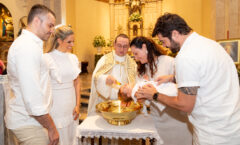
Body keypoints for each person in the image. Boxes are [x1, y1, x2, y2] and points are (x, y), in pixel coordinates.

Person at [136, 13, 240, 145]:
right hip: (233, 127)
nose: (165, 46)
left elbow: (185, 105)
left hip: (213, 133)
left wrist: (155, 95)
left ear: (174, 34)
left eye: (163, 41)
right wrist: (173, 78)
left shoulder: (186, 56)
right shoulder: (210, 44)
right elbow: (206, 75)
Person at [5, 4, 59, 145]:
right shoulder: (27, 47)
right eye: (50, 25)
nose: (52, 31)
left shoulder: (30, 45)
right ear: (36, 21)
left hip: (30, 120)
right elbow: (32, 98)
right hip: (27, 121)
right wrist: (52, 128)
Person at [125, 36, 192, 145]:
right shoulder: (141, 70)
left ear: (144, 47)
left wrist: (171, 77)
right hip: (157, 120)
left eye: (136, 53)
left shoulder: (169, 62)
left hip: (176, 118)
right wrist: (137, 93)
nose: (136, 58)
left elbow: (187, 83)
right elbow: (142, 100)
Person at [46, 25, 81, 145]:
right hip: (56, 106)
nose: (72, 44)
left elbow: (76, 82)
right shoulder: (47, 58)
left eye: (73, 41)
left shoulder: (73, 58)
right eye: (69, 41)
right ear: (59, 41)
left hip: (71, 105)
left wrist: (77, 104)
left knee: (72, 138)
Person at [87, 34, 137, 114]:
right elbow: (95, 77)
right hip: (106, 102)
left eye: (125, 46)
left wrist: (132, 87)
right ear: (114, 45)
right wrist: (105, 79)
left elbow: (136, 81)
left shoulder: (132, 63)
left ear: (129, 47)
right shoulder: (105, 59)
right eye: (119, 45)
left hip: (125, 103)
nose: (122, 49)